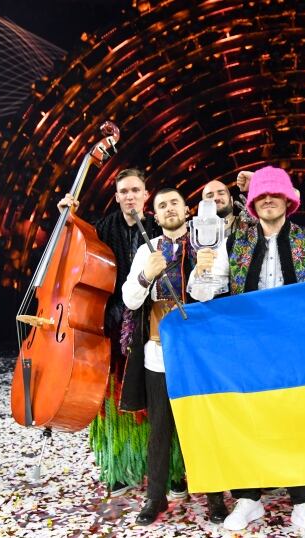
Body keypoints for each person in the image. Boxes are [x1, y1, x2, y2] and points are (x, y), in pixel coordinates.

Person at [190, 166, 305, 538]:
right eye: (261, 195)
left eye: (274, 194)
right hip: (247, 349)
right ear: (252, 203)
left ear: (288, 199)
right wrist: (201, 271)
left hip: (298, 348)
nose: (267, 199)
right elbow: (203, 293)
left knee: (300, 420)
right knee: (248, 419)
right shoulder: (234, 242)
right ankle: (248, 498)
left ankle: (304, 502)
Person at [58, 168, 185, 497]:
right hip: (112, 324)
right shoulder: (100, 229)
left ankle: (172, 470)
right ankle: (120, 470)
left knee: (163, 402)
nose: (130, 196)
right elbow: (70, 251)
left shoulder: (162, 226)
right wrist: (66, 221)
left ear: (146, 196)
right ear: (117, 197)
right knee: (115, 399)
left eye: (136, 190)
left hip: (157, 325)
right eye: (124, 191)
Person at [120, 187, 228, 525]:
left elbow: (207, 293)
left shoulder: (209, 243)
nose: (169, 209)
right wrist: (145, 274)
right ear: (155, 214)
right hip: (158, 350)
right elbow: (130, 299)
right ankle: (155, 498)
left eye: (175, 203)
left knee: (204, 425)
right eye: (162, 205)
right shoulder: (145, 250)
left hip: (199, 351)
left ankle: (214, 498)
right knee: (160, 428)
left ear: (187, 209)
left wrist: (201, 271)